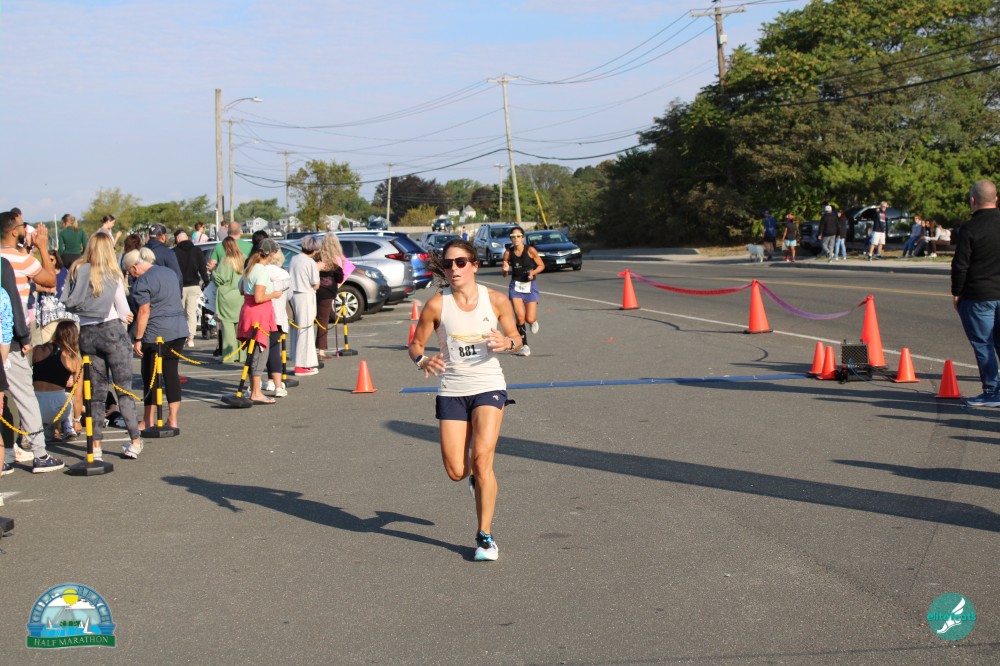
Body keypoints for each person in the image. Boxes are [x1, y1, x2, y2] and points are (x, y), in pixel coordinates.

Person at [408, 238, 523, 561]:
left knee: (483, 460)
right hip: (452, 390)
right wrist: (422, 360)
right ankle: (474, 477)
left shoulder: (496, 300)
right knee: (457, 470)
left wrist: (507, 343)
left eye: (460, 262)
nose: (454, 269)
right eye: (448, 264)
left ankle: (485, 537)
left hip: (488, 385)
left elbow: (516, 337)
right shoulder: (437, 305)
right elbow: (415, 345)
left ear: (474, 264)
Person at [60, 232, 143, 460]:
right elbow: (123, 310)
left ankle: (95, 445)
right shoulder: (111, 274)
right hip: (112, 331)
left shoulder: (78, 270)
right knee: (124, 390)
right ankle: (135, 441)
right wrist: (127, 318)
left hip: (87, 334)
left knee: (96, 394)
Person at [0, 213, 64, 473]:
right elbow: (50, 281)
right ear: (13, 231)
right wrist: (42, 247)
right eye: (22, 226)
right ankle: (40, 453)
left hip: (10, 332)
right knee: (25, 395)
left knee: (4, 398)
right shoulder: (18, 259)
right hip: (13, 336)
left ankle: (6, 453)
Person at [124, 247, 190, 433]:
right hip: (178, 328)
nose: (132, 276)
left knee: (150, 375)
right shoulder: (169, 272)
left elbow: (144, 312)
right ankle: (173, 418)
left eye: (130, 272)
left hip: (156, 332)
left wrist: (138, 338)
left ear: (135, 266)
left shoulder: (143, 281)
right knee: (171, 373)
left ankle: (148, 420)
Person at [952, 180, 1000, 407]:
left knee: (983, 344)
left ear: (972, 200)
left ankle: (992, 391)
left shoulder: (969, 228)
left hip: (979, 295)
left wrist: (957, 292)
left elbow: (960, 265)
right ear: (996, 198)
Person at [237, 239, 283, 404]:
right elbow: (258, 297)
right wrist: (274, 294)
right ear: (271, 254)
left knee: (253, 353)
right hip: (258, 315)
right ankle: (256, 392)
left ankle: (254, 389)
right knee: (260, 354)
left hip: (248, 312)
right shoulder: (261, 271)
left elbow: (242, 290)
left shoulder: (250, 267)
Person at [32, 320, 83, 444]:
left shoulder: (38, 349)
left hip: (35, 406)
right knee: (68, 393)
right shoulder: (74, 359)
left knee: (45, 432)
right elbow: (78, 396)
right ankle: (68, 425)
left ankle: (43, 432)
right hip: (58, 408)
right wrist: (77, 420)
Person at [501, 225, 544, 357]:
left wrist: (533, 273)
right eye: (513, 236)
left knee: (529, 318)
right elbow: (504, 273)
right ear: (510, 238)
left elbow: (541, 265)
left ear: (523, 237)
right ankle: (525, 346)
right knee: (520, 317)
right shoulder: (508, 253)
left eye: (518, 236)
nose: (516, 239)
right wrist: (505, 270)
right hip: (516, 286)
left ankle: (533, 322)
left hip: (530, 286)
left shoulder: (530, 250)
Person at [288, 234, 321, 376]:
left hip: (293, 295)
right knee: (306, 330)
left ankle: (297, 360)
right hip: (305, 296)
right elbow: (316, 284)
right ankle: (303, 365)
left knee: (296, 330)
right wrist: (318, 269)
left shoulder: (294, 259)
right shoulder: (310, 262)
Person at [212, 237, 247, 365]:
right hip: (240, 295)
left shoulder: (225, 260)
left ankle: (229, 355)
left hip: (227, 296)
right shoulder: (244, 258)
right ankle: (242, 355)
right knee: (240, 326)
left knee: (227, 327)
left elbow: (220, 279)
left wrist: (212, 271)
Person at [262, 246, 291, 396]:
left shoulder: (256, 271)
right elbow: (289, 295)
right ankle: (278, 385)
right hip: (277, 315)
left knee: (258, 352)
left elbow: (242, 287)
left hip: (259, 316)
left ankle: (258, 384)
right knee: (274, 350)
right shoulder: (283, 274)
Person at [172, 229, 209, 347]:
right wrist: (206, 281)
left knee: (180, 313)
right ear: (187, 238)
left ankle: (181, 337)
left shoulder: (174, 252)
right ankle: (191, 338)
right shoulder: (197, 251)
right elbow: (203, 268)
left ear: (177, 239)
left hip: (179, 286)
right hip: (194, 285)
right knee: (191, 313)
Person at [315, 233, 346, 361]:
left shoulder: (317, 257)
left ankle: (308, 349)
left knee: (310, 320)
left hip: (314, 290)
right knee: (323, 320)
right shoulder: (336, 260)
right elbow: (340, 278)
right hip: (327, 293)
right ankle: (321, 351)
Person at [145, 223, 183, 288]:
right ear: (163, 237)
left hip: (144, 290)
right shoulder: (167, 253)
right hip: (163, 291)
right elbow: (177, 276)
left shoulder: (141, 251)